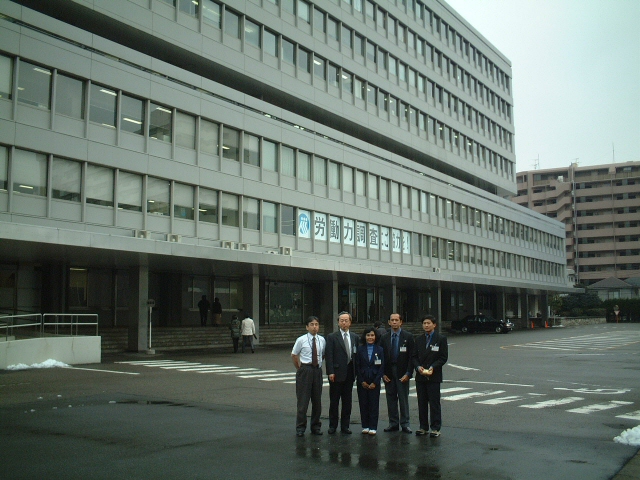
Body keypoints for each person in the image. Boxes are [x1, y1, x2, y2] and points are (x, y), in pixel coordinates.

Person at [413, 315, 448, 438]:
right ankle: (423, 427)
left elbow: (443, 357)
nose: (426, 325)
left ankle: (435, 428)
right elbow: (414, 357)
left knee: (434, 403)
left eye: (428, 323)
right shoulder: (418, 339)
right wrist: (418, 368)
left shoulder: (441, 339)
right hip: (421, 376)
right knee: (421, 402)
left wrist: (433, 367)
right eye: (424, 323)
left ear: (434, 325)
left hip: (434, 375)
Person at [380, 312, 415, 433]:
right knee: (390, 398)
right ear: (389, 322)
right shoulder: (384, 337)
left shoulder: (408, 336)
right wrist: (382, 374)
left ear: (401, 322)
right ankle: (393, 423)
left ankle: (405, 423)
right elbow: (381, 357)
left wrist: (408, 373)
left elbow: (412, 357)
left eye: (396, 320)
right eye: (392, 320)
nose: (394, 322)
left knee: (403, 398)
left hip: (402, 372)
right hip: (389, 372)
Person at [325, 311, 359, 434]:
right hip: (336, 373)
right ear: (338, 322)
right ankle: (332, 425)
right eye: (341, 320)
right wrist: (330, 372)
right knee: (334, 401)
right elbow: (329, 356)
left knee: (347, 401)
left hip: (350, 373)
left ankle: (345, 426)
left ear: (350, 322)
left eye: (346, 320)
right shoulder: (332, 337)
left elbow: (356, 355)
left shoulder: (355, 337)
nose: (344, 322)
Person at [291, 316, 326, 437]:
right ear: (307, 327)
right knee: (303, 401)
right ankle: (300, 427)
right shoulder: (301, 340)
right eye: (312, 324)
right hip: (305, 370)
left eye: (316, 324)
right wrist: (300, 368)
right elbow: (294, 355)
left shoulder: (322, 340)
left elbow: (322, 354)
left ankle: (316, 426)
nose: (314, 327)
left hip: (317, 371)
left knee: (317, 401)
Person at [355, 327, 384, 435]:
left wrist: (375, 382)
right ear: (364, 337)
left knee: (373, 404)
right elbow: (357, 366)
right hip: (362, 380)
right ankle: (365, 425)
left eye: (372, 335)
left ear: (375, 337)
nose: (370, 337)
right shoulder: (360, 349)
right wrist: (361, 381)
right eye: (368, 335)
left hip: (374, 379)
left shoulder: (380, 349)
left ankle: (373, 426)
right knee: (363, 403)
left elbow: (381, 367)